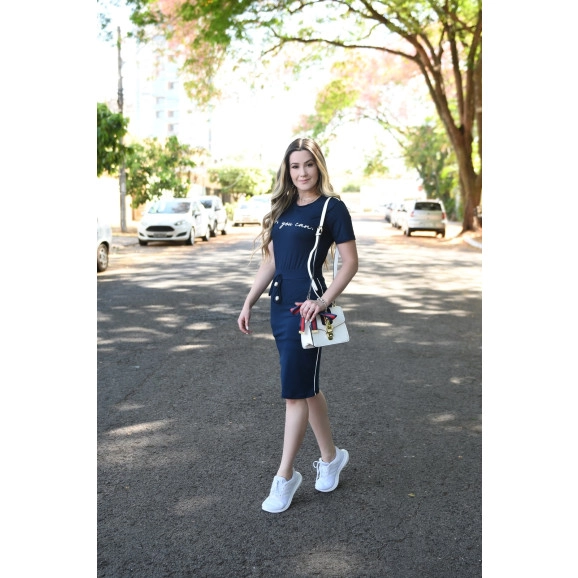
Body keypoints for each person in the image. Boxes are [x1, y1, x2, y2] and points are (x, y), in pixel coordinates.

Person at [237, 137, 359, 513]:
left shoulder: (332, 208)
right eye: (295, 166)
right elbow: (272, 262)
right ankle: (331, 457)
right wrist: (249, 300)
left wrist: (323, 301)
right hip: (279, 307)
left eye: (308, 164)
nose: (302, 172)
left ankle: (285, 476)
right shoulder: (283, 207)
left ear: (318, 166)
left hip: (307, 312)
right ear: (287, 170)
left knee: (293, 393)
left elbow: (350, 262)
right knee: (306, 388)